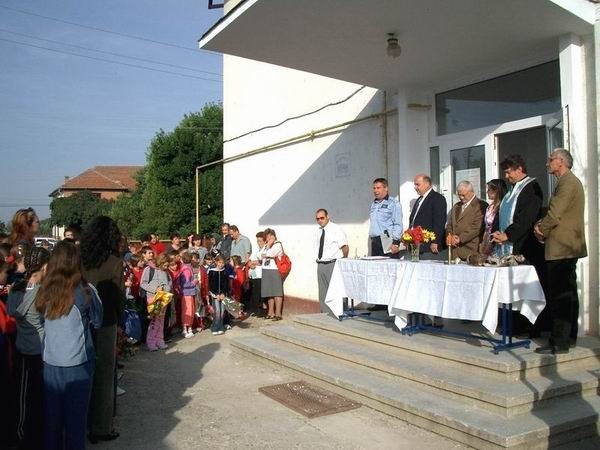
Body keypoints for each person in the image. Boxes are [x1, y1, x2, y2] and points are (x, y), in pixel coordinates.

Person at [34, 241, 103, 450]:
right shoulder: (86, 291)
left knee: (52, 423)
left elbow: (41, 321)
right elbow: (98, 321)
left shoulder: (44, 291)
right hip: (78, 365)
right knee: (76, 424)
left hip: (50, 363)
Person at [533, 149, 587, 355]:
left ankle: (559, 341)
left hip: (562, 248)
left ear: (562, 162)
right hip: (566, 246)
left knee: (560, 296)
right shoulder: (566, 182)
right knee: (568, 293)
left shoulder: (567, 183)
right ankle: (568, 337)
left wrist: (540, 229)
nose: (547, 163)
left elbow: (555, 214)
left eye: (551, 159)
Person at [80, 216, 125, 444]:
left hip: (81, 321)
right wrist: (121, 322)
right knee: (105, 374)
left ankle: (83, 421)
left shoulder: (79, 259)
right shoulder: (114, 262)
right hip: (107, 321)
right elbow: (119, 297)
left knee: (83, 370)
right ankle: (102, 427)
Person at [7, 247, 50, 450]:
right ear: (45, 267)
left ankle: (22, 435)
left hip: (23, 349)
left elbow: (11, 312)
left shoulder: (16, 289)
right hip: (42, 350)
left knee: (24, 398)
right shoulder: (44, 291)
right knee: (39, 398)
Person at [491, 154, 544, 262]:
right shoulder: (510, 191)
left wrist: (507, 235)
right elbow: (500, 214)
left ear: (519, 169)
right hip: (503, 244)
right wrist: (496, 232)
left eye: (508, 172)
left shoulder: (531, 189)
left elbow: (527, 218)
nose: (506, 176)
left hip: (522, 246)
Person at [314, 209, 348, 312]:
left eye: (322, 218)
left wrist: (343, 260)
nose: (320, 220)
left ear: (327, 217)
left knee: (336, 291)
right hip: (321, 264)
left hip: (332, 264)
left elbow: (345, 246)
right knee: (323, 293)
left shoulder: (336, 229)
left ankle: (340, 312)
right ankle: (325, 314)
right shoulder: (319, 231)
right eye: (317, 219)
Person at [445, 181, 487, 261]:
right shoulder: (456, 206)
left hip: (471, 250)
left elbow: (477, 227)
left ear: (471, 192)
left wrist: (459, 239)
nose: (461, 197)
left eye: (463, 195)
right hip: (454, 252)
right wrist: (450, 237)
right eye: (459, 195)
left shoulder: (480, 205)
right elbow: (449, 224)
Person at [408, 174, 447, 259]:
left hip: (429, 246)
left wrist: (435, 241)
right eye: (415, 185)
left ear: (427, 184)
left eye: (418, 184)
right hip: (416, 246)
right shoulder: (419, 199)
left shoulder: (437, 198)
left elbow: (439, 222)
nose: (415, 187)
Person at [140, 253, 172, 351]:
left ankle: (160, 340)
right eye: (165, 265)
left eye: (167, 265)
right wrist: (155, 289)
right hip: (152, 298)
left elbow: (169, 282)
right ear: (160, 262)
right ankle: (151, 342)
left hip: (163, 297)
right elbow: (143, 283)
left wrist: (166, 288)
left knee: (161, 320)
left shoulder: (165, 271)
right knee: (154, 321)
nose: (166, 267)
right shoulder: (148, 269)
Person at [368, 178, 402, 257]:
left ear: (386, 188)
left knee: (388, 264)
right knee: (375, 264)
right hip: (375, 241)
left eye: (378, 188)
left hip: (387, 240)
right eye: (374, 188)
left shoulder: (393, 203)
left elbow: (398, 224)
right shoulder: (374, 204)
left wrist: (396, 243)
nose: (375, 191)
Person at [260, 228, 284, 321]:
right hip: (266, 269)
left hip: (275, 270)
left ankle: (278, 313)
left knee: (277, 292)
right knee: (269, 292)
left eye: (269, 236)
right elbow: (260, 255)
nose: (267, 238)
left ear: (273, 236)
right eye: (266, 237)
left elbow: (271, 254)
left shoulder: (277, 245)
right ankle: (270, 313)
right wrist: (267, 247)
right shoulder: (266, 245)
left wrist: (268, 247)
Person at [480, 179, 508, 256]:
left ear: (496, 191)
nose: (487, 192)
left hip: (496, 238)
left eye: (489, 190)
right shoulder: (490, 206)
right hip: (487, 238)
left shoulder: (502, 206)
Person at [208, 255, 230, 335]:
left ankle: (221, 326)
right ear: (216, 262)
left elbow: (226, 285)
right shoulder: (212, 272)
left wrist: (223, 293)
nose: (221, 264)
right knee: (217, 311)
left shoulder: (225, 272)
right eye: (219, 262)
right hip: (215, 295)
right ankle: (215, 327)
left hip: (223, 295)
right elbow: (211, 285)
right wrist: (216, 294)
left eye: (222, 263)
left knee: (222, 312)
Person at [247, 232, 266, 316]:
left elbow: (262, 261)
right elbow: (249, 261)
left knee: (259, 294)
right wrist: (251, 264)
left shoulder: (265, 250)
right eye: (257, 241)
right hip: (253, 275)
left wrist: (253, 262)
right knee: (254, 293)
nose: (258, 243)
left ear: (264, 241)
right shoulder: (256, 250)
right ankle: (255, 310)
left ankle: (260, 310)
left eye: (260, 241)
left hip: (260, 275)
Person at [179, 252, 197, 338]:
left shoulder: (185, 268)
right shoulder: (187, 269)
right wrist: (194, 282)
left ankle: (188, 328)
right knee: (188, 311)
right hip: (187, 293)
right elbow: (185, 284)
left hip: (188, 293)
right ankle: (186, 329)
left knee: (190, 310)